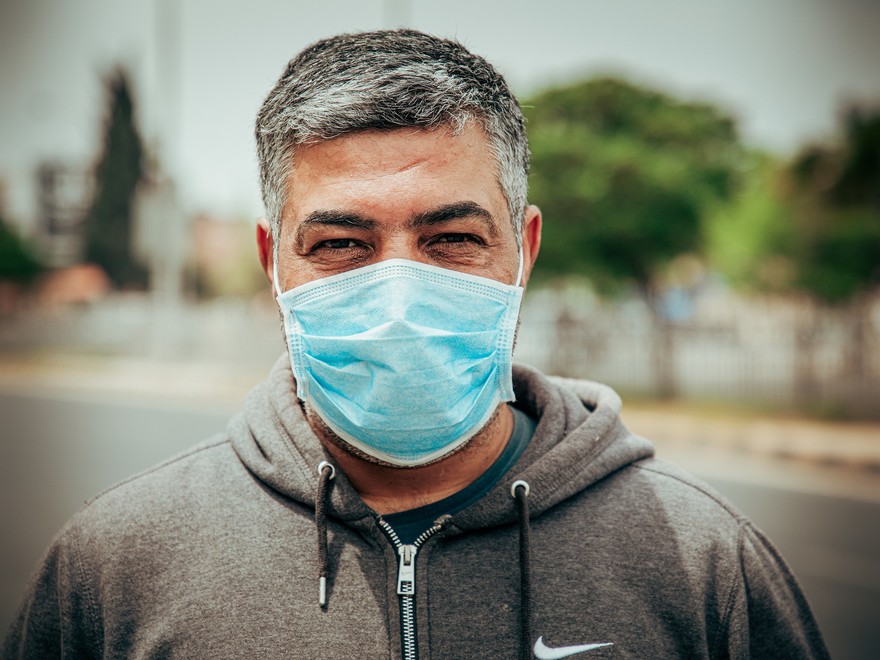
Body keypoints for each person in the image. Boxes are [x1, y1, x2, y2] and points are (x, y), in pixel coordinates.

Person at [3, 29, 828, 660]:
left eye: (452, 238)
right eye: (339, 245)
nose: (398, 294)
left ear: (524, 249)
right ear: (272, 263)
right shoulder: (114, 568)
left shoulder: (701, 564)